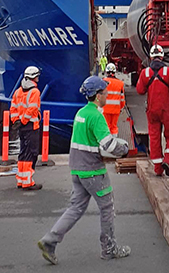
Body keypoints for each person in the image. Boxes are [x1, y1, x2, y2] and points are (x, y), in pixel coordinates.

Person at [37, 75, 131, 266]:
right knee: (107, 208)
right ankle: (109, 249)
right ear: (97, 96)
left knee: (76, 208)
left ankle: (50, 240)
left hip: (77, 169)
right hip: (93, 171)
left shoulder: (81, 113)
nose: (106, 96)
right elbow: (108, 144)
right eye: (104, 93)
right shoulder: (96, 116)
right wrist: (124, 149)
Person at [136, 44, 169, 177]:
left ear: (150, 57)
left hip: (152, 111)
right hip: (167, 110)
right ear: (162, 56)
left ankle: (158, 169)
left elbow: (140, 90)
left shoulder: (145, 73)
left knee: (154, 138)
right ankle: (168, 160)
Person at [12, 65, 43, 190]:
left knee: (23, 152)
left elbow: (13, 108)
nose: (38, 79)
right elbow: (33, 108)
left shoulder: (17, 92)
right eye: (37, 77)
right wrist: (24, 120)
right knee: (32, 153)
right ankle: (28, 182)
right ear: (33, 78)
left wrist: (17, 121)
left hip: (21, 126)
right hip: (31, 126)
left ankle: (21, 180)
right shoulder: (35, 92)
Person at [103, 62, 126, 136]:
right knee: (114, 127)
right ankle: (114, 141)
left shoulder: (103, 82)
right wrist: (121, 107)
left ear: (106, 71)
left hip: (105, 109)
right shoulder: (120, 83)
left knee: (106, 126)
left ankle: (106, 143)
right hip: (116, 109)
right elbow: (122, 99)